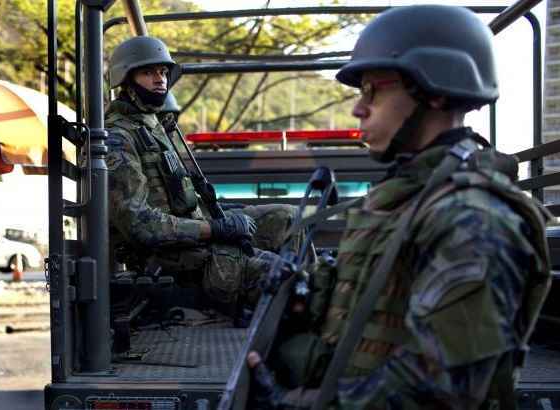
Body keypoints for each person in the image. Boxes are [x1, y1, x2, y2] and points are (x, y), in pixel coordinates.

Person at [245, 5, 552, 409]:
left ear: (436, 91)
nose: (359, 108)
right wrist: (306, 289)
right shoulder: (407, 195)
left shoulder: (473, 217)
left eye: (374, 90)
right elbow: (371, 298)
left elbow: (440, 390)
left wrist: (298, 404)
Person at [105, 35, 300, 315]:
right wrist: (216, 229)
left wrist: (222, 216)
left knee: (290, 218)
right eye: (148, 72)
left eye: (162, 72)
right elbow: (139, 224)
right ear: (125, 78)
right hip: (168, 255)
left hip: (193, 233)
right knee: (281, 273)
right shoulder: (118, 137)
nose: (159, 79)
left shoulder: (152, 124)